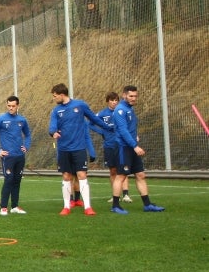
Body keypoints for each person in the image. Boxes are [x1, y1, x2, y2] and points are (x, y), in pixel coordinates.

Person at [48, 83, 110, 216]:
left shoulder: (80, 105)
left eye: (55, 96)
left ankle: (88, 207)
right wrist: (53, 132)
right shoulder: (56, 111)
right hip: (64, 149)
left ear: (61, 95)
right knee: (66, 176)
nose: (54, 99)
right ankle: (66, 206)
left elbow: (94, 118)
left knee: (82, 175)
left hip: (79, 148)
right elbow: (52, 127)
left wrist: (108, 127)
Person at [110, 85, 165, 214]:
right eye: (131, 96)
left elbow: (130, 127)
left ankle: (147, 205)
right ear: (124, 95)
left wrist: (135, 136)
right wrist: (134, 146)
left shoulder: (130, 109)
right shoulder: (120, 110)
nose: (134, 98)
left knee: (140, 175)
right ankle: (115, 206)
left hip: (132, 145)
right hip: (124, 147)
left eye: (135, 96)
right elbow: (123, 131)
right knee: (121, 176)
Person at [0, 95, 32, 216]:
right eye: (9, 106)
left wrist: (26, 146)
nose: (11, 108)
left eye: (13, 106)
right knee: (9, 180)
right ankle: (4, 207)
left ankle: (15, 206)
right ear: (7, 105)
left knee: (17, 180)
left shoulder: (22, 120)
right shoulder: (1, 119)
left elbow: (28, 135)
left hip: (20, 156)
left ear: (17, 106)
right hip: (8, 157)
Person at [91, 91, 132, 204]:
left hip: (122, 145)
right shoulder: (102, 113)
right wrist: (101, 132)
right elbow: (90, 123)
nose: (114, 102)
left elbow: (129, 125)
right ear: (107, 101)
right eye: (112, 100)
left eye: (116, 100)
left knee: (123, 170)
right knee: (113, 171)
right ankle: (116, 195)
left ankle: (126, 194)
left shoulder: (121, 112)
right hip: (109, 145)